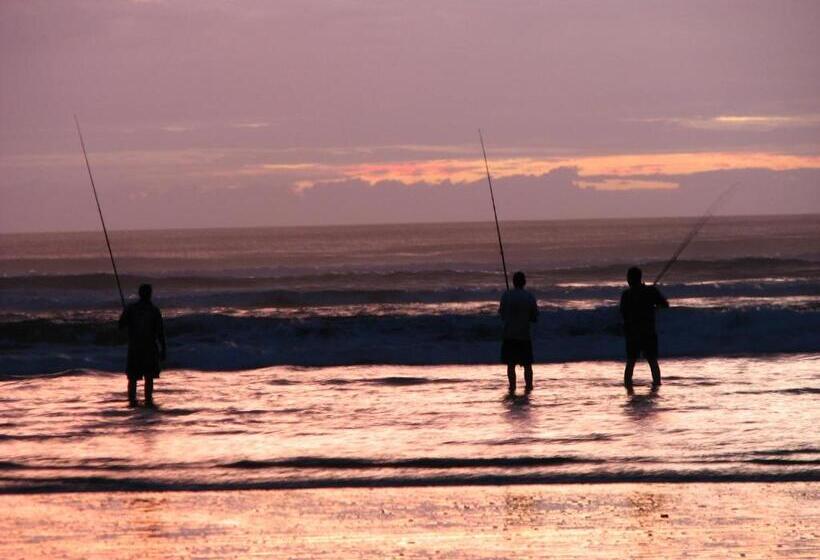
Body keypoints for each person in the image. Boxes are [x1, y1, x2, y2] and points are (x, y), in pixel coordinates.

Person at [620, 267, 669, 390]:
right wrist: (653, 306)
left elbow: (623, 313)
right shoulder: (650, 291)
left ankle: (628, 388)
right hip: (648, 331)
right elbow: (665, 305)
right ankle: (657, 385)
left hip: (633, 334)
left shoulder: (627, 295)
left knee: (631, 363)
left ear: (630, 279)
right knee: (652, 362)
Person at [119, 283, 166, 405]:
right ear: (150, 294)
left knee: (133, 378)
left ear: (139, 294)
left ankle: (132, 400)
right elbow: (160, 332)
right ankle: (148, 400)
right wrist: (163, 349)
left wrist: (125, 316)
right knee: (149, 377)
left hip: (135, 347)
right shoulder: (154, 310)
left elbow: (120, 326)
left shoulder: (131, 309)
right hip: (150, 348)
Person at [499, 271, 539, 394]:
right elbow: (534, 318)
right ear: (524, 282)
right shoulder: (529, 296)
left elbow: (502, 315)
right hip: (524, 335)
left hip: (509, 334)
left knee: (510, 365)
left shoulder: (506, 295)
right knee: (527, 365)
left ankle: (512, 387)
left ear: (513, 282)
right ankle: (529, 387)